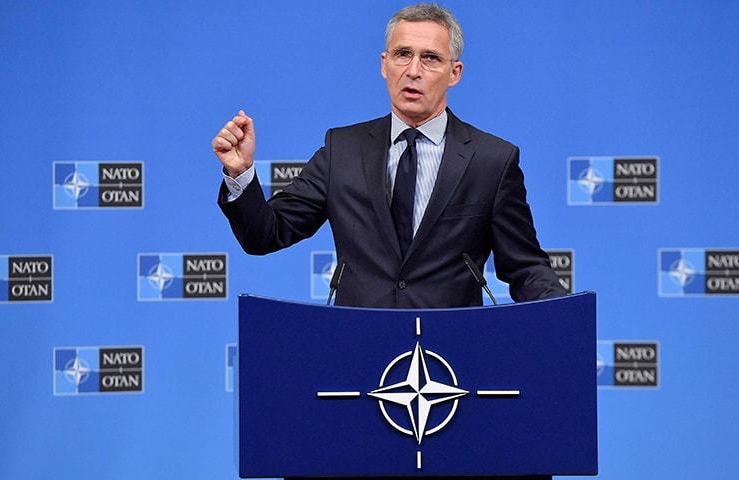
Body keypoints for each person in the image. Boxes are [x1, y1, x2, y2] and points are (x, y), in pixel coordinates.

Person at [212, 3, 565, 308]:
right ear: (384, 64)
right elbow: (266, 234)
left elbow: (524, 267)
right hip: (359, 352)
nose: (413, 71)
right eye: (402, 54)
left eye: (430, 58)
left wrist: (565, 322)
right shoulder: (343, 150)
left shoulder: (492, 160)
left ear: (454, 73)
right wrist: (241, 173)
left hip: (452, 359)